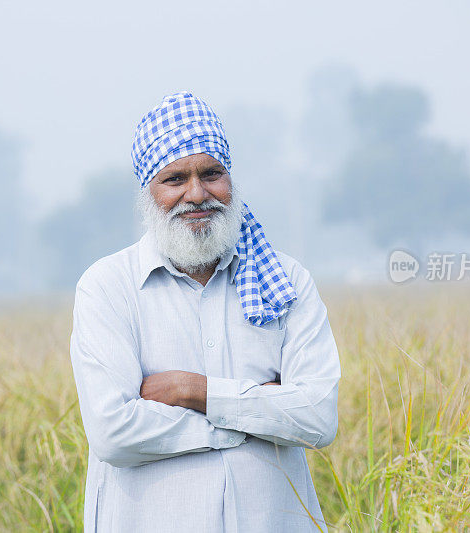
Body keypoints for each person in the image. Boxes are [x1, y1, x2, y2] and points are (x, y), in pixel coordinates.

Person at [69, 91, 341, 532]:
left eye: (212, 174)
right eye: (174, 179)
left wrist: (191, 391)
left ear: (230, 180)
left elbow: (316, 417)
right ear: (148, 192)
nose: (197, 195)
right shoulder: (107, 288)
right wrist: (255, 413)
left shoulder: (286, 283)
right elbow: (113, 432)